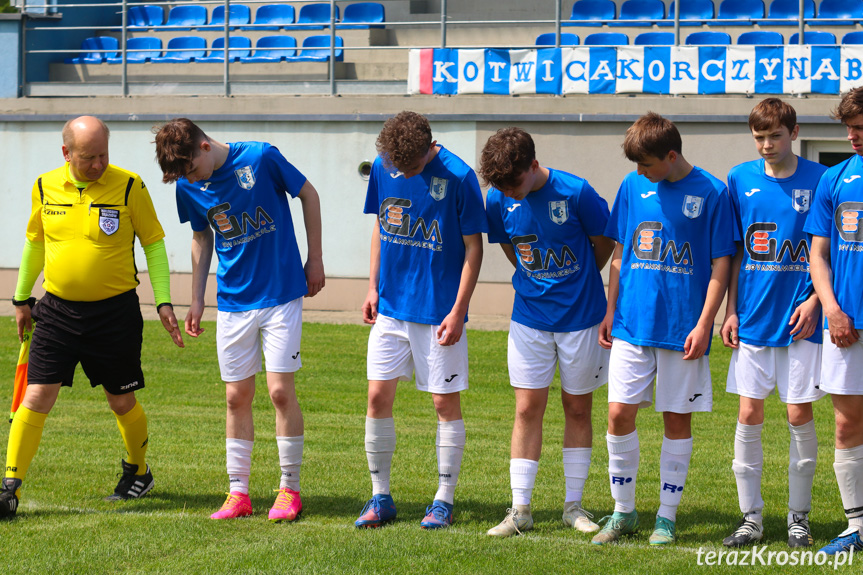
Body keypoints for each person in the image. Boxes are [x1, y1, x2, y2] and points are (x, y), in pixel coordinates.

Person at [0, 116, 184, 519]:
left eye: (103, 154)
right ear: (66, 153)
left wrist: (164, 301)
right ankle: (8, 488)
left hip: (114, 314)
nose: (99, 164)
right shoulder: (44, 185)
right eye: (88, 157)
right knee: (36, 395)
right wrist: (19, 298)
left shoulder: (130, 185)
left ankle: (138, 470)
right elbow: (35, 243)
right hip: (56, 312)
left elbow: (153, 244)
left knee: (121, 401)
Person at [153, 118, 324, 523]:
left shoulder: (261, 157)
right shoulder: (186, 184)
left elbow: (309, 194)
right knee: (235, 398)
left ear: (205, 147)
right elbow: (201, 237)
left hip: (281, 294)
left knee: (280, 392)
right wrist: (196, 300)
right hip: (232, 303)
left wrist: (314, 258)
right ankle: (238, 493)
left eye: (192, 168)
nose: (191, 179)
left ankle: (289, 489)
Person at [594, 112, 735, 546]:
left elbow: (721, 263)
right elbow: (620, 251)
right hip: (632, 324)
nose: (640, 173)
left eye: (647, 165)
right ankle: (623, 512)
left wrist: (704, 322)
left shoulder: (712, 192)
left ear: (671, 155)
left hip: (681, 329)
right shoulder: (632, 186)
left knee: (676, 419)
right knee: (618, 414)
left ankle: (666, 518)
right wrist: (609, 308)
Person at [480, 127, 615, 537]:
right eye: (505, 189)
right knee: (526, 409)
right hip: (529, 321)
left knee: (577, 408)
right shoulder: (498, 196)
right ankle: (520, 510)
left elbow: (603, 243)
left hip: (582, 319)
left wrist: (576, 280)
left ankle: (573, 507)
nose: (512, 195)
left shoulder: (577, 192)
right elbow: (510, 247)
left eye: (516, 185)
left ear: (534, 165)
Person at [356, 111, 485, 529]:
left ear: (431, 148)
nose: (401, 172)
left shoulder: (460, 176)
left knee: (443, 403)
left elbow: (472, 249)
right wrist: (373, 286)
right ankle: (380, 496)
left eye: (410, 167)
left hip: (438, 313)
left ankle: (443, 500)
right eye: (396, 165)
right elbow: (380, 225)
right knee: (377, 399)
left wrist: (459, 310)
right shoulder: (383, 164)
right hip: (391, 307)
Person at [719, 98, 826, 549]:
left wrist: (818, 300)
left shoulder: (821, 180)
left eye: (775, 136)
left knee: (799, 413)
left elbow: (830, 252)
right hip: (753, 321)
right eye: (759, 137)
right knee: (749, 413)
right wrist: (731, 309)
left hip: (802, 320)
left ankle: (798, 516)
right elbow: (735, 250)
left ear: (794, 133)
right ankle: (751, 518)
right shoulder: (738, 179)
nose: (767, 145)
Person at [804, 87, 863, 556]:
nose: (853, 137)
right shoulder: (835, 178)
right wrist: (833, 309)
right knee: (846, 425)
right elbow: (818, 255)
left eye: (861, 129)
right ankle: (856, 526)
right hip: (847, 326)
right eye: (849, 129)